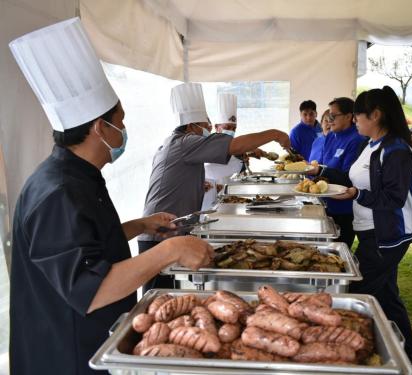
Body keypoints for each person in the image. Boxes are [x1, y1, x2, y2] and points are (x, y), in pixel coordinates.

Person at [8, 18, 214, 375]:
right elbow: (91, 289)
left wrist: (140, 225)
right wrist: (171, 250)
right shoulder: (57, 192)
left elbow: (87, 245)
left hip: (94, 340)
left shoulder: (79, 176)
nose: (124, 131)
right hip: (67, 355)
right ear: (99, 127)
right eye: (120, 121)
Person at [138, 83, 290, 289]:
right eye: (206, 123)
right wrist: (274, 133)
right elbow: (232, 146)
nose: (209, 128)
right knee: (158, 295)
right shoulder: (186, 141)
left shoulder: (176, 142)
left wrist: (198, 185)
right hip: (159, 233)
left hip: (168, 228)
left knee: (169, 291)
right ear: (192, 126)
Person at [325, 86, 412, 371]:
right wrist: (321, 173)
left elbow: (393, 198)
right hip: (371, 230)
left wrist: (356, 194)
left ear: (376, 115)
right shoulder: (371, 144)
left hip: (389, 234)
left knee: (356, 293)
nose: (355, 120)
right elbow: (352, 178)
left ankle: (359, 357)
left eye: (358, 115)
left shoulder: (397, 150)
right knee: (386, 294)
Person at [307, 98, 365, 248]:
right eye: (328, 117)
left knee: (338, 250)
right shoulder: (331, 136)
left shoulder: (357, 140)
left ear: (348, 116)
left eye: (333, 116)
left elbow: (349, 179)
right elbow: (324, 168)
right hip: (326, 205)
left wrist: (320, 170)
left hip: (345, 209)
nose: (329, 120)